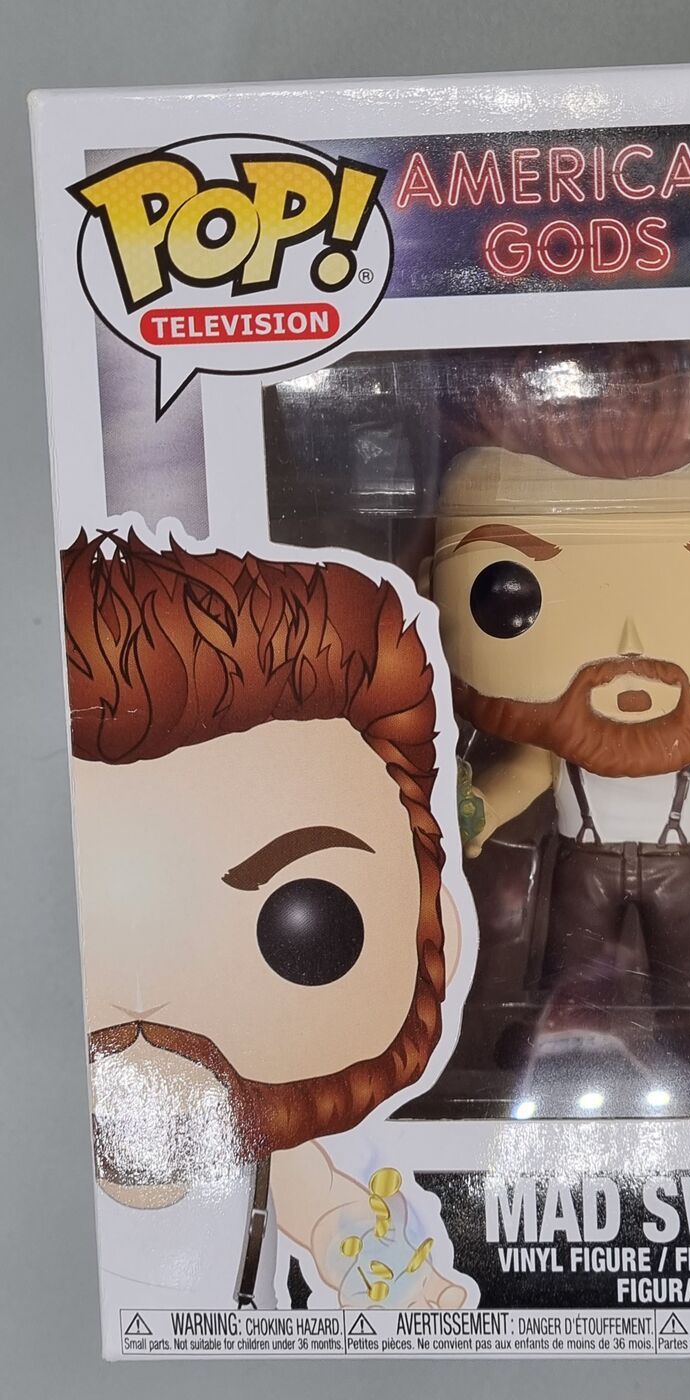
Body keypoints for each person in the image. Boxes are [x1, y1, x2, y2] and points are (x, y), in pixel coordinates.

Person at [63, 530, 469, 1349]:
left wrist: (401, 1282)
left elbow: (335, 1221)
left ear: (433, 925)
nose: (145, 995)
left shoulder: (263, 1146)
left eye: (307, 921)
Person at [429, 344, 690, 1073]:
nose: (630, 646)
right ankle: (568, 1023)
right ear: (427, 592)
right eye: (510, 594)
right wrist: (474, 813)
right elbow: (523, 776)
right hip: (583, 861)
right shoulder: (563, 738)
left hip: (680, 865)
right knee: (572, 961)